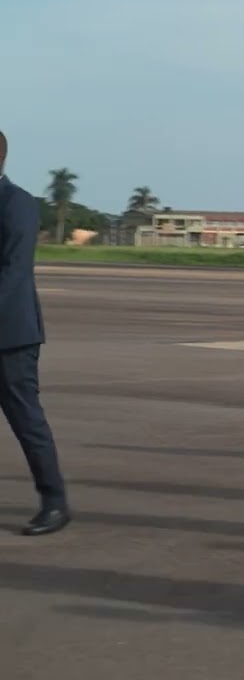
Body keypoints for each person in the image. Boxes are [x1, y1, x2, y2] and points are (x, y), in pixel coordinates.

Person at [0, 130, 71, 537]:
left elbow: (14, 270)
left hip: (10, 335)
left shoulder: (17, 202)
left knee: (27, 421)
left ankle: (55, 503)